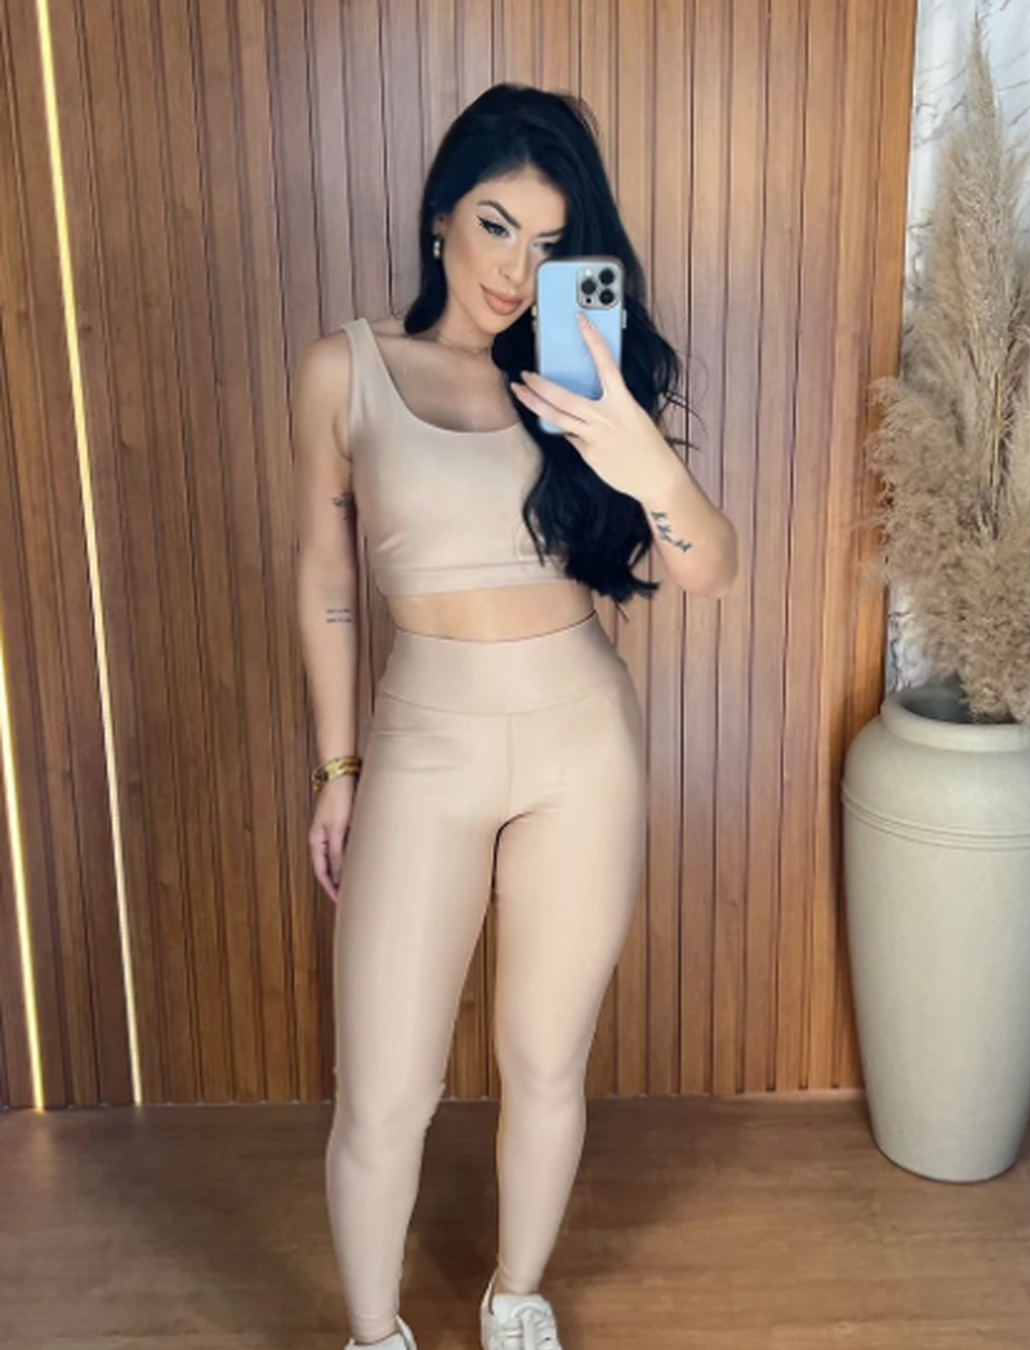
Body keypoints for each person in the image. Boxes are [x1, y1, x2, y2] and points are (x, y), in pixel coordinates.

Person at [292, 83, 737, 1350]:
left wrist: (641, 456)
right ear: (440, 213)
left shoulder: (576, 378)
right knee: (385, 1089)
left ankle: (516, 1296)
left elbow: (711, 570)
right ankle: (374, 1333)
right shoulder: (344, 370)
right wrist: (337, 768)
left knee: (545, 1060)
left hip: (577, 739)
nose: (512, 270)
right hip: (423, 742)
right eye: (495, 227)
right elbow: (324, 574)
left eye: (547, 246)